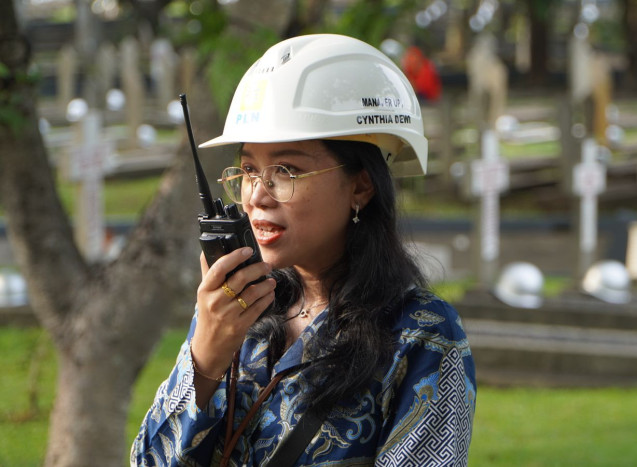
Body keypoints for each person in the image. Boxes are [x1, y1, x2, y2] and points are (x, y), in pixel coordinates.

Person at [131, 34, 476, 466]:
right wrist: (204, 358)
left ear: (361, 185)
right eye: (249, 170)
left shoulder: (422, 335)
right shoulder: (239, 308)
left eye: (287, 170)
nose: (257, 195)